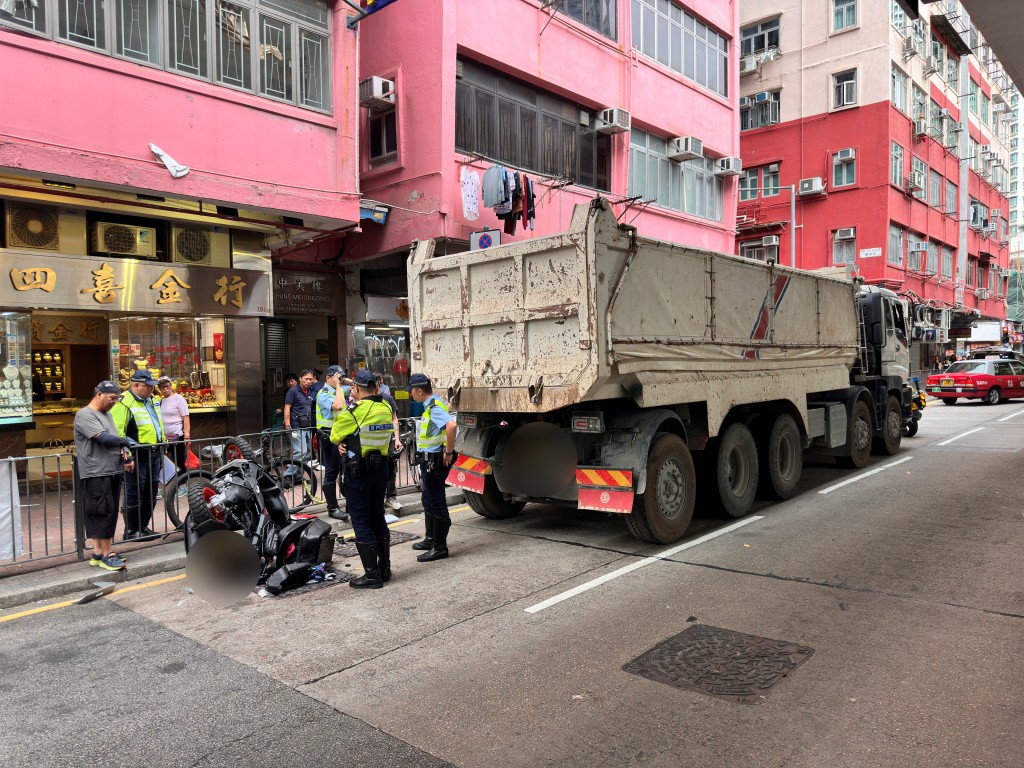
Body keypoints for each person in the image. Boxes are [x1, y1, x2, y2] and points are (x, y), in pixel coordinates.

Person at [330, 369, 396, 589]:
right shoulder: (386, 407)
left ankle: (371, 575)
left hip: (359, 473)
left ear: (356, 388)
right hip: (381, 471)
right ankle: (385, 568)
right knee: (377, 515)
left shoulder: (354, 411)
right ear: (376, 387)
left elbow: (335, 435)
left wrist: (343, 441)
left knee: (360, 519)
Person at [74, 381, 136, 571]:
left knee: (107, 510)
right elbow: (104, 439)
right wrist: (125, 441)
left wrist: (126, 451)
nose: (114, 402)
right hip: (96, 471)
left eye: (116, 399)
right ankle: (107, 553)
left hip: (112, 469)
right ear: (99, 394)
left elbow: (116, 439)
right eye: (112, 398)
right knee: (101, 510)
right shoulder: (85, 415)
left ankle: (99, 552)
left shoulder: (107, 414)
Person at [110, 369, 164, 542]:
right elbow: (118, 432)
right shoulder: (124, 403)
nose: (151, 389)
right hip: (137, 454)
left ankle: (142, 527)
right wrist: (127, 456)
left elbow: (157, 425)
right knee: (135, 492)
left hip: (154, 452)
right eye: (147, 386)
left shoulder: (153, 400)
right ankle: (132, 530)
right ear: (135, 385)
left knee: (151, 491)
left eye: (152, 386)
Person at [408, 372, 457, 562]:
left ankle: (440, 547)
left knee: (436, 502)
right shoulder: (431, 406)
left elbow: (451, 426)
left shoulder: (435, 407)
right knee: (428, 498)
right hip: (429, 459)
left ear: (419, 390)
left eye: (412, 390)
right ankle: (431, 539)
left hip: (435, 460)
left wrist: (449, 452)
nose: (411, 394)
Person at [316, 365, 350, 521]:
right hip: (329, 438)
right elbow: (337, 406)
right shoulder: (323, 394)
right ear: (328, 378)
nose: (339, 380)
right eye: (336, 377)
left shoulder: (339, 391)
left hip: (342, 436)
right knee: (331, 472)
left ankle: (351, 503)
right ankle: (333, 508)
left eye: (340, 377)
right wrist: (338, 386)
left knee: (348, 470)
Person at [376, 372, 403, 515]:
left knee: (391, 470)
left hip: (388, 441)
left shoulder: (387, 398)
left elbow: (394, 419)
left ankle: (391, 497)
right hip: (372, 444)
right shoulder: (362, 400)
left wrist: (396, 438)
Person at [283, 368, 316, 478]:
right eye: (306, 379)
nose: (308, 381)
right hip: (296, 426)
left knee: (307, 453)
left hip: (307, 426)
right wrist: (288, 425)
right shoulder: (292, 391)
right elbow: (287, 408)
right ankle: (287, 476)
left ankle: (298, 476)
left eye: (311, 379)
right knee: (300, 452)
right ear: (300, 378)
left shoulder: (310, 392)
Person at [157, 376, 190, 472]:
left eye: (167, 386)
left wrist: (187, 437)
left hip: (177, 435)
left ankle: (183, 483)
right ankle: (175, 483)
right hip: (165, 437)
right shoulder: (161, 401)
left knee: (179, 461)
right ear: (159, 389)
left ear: (171, 386)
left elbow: (186, 417)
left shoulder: (178, 399)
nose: (165, 389)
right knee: (167, 463)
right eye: (162, 387)